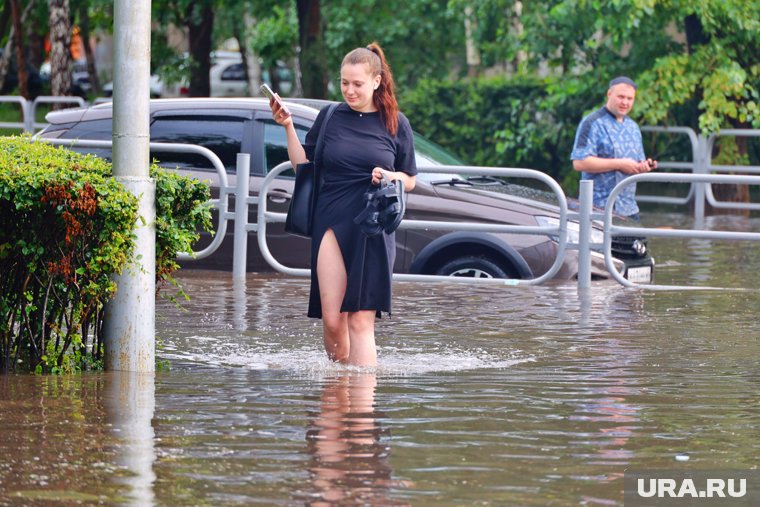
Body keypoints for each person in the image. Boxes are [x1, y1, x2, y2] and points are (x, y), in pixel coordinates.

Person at [268, 42, 417, 367]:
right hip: (330, 219)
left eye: (357, 84)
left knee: (359, 321)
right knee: (333, 321)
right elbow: (302, 165)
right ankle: (338, 402)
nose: (349, 90)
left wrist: (392, 176)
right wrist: (288, 127)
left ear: (376, 81)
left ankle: (360, 414)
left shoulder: (395, 123)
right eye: (344, 83)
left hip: (371, 225)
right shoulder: (331, 116)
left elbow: (410, 179)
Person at [570, 76, 657, 220]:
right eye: (621, 97)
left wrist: (643, 166)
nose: (625, 102)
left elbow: (635, 165)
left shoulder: (633, 127)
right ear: (609, 94)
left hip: (629, 209)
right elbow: (579, 162)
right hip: (597, 209)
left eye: (630, 99)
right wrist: (619, 164)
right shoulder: (591, 122)